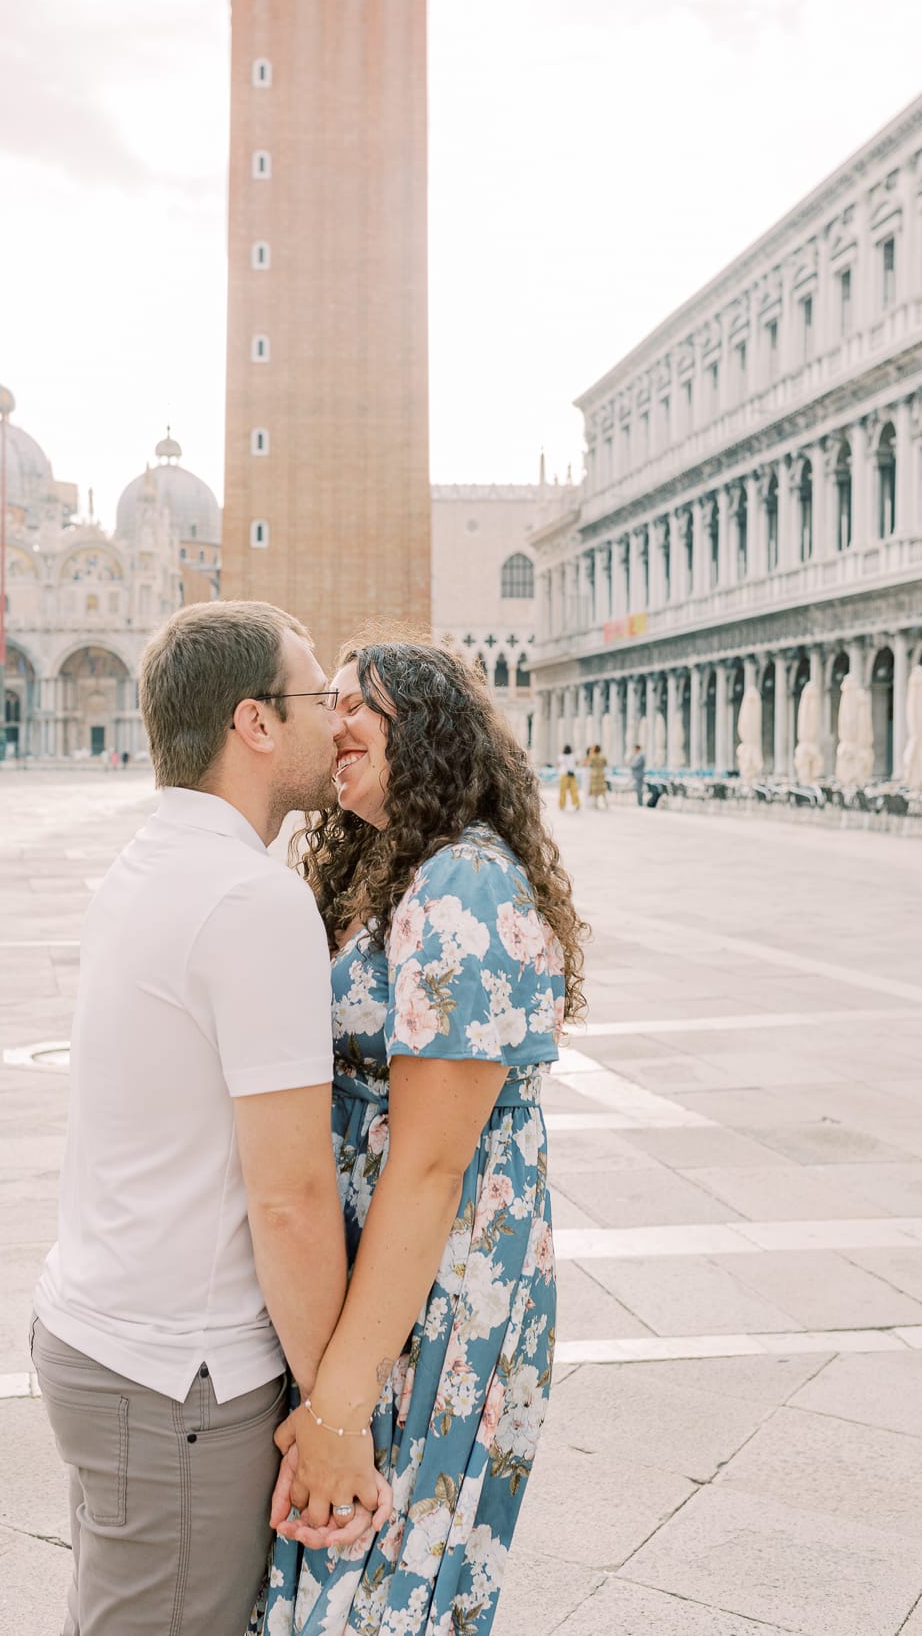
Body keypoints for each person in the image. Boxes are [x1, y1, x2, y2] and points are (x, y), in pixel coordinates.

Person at [31, 601, 377, 1636]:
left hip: (109, 1338)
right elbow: (289, 1196)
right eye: (319, 696)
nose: (339, 720)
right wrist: (331, 1420)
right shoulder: (249, 901)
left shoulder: (147, 865)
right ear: (255, 725)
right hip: (177, 1373)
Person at [264, 640, 587, 1636]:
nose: (335, 721)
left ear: (431, 733)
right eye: (333, 701)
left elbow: (434, 1162)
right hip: (393, 1287)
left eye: (364, 705)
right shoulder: (394, 869)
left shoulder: (465, 885)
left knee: (380, 1587)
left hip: (441, 1292)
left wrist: (336, 1409)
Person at [557, 742, 580, 811]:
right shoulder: (573, 756)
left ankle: (562, 805)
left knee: (562, 791)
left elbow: (559, 764)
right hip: (572, 774)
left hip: (564, 774)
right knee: (574, 790)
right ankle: (576, 803)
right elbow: (576, 763)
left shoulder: (561, 756)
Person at [588, 743, 608, 809]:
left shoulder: (592, 756)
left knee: (595, 790)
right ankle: (606, 804)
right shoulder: (602, 756)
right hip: (601, 774)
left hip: (594, 774)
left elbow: (590, 765)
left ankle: (596, 805)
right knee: (602, 790)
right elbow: (606, 763)